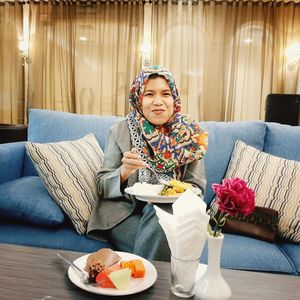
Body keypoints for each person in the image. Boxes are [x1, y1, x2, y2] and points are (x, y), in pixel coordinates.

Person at [87, 65, 208, 261]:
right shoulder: (121, 130)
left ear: (174, 98)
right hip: (122, 214)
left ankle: (138, 282)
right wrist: (124, 171)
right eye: (149, 94)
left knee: (160, 213)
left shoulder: (190, 136)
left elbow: (197, 187)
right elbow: (102, 185)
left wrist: (172, 196)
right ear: (138, 99)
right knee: (170, 243)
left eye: (166, 94)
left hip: (171, 212)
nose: (158, 102)